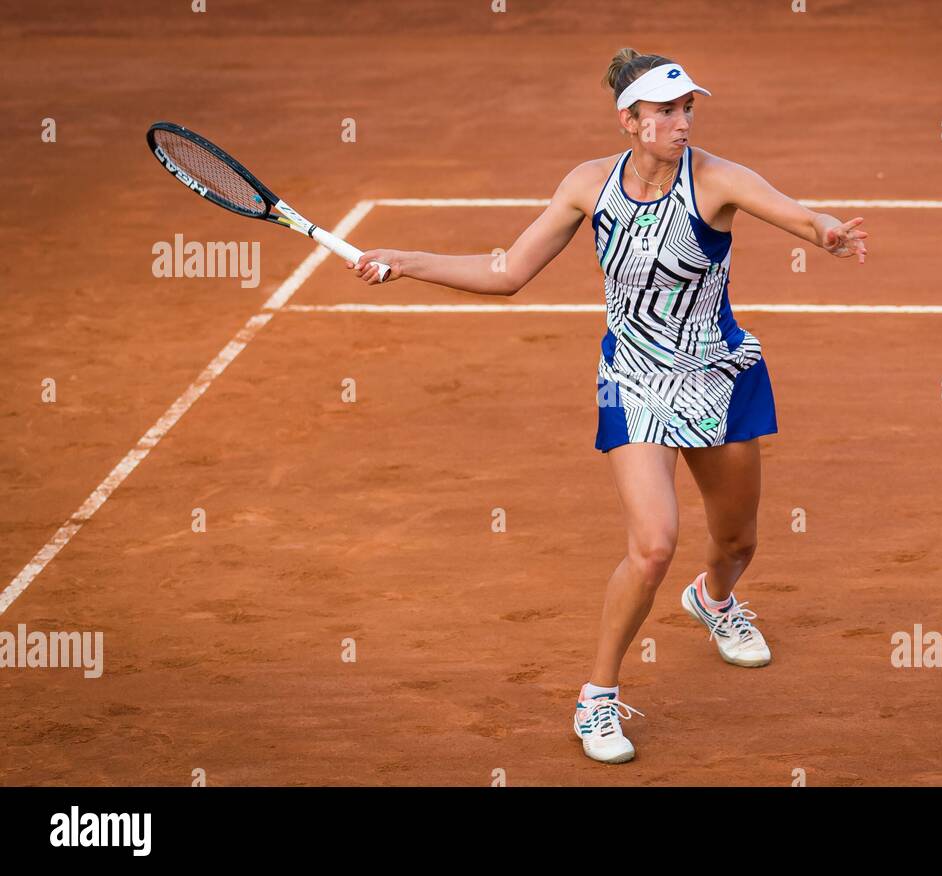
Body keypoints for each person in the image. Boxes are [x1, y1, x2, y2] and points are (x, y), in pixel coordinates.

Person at [349, 48, 867, 765]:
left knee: (738, 542)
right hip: (634, 380)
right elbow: (507, 273)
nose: (682, 122)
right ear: (629, 120)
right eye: (666, 111)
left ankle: (715, 599)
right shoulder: (588, 186)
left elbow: (798, 215)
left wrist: (827, 232)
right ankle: (597, 696)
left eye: (688, 108)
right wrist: (407, 261)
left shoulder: (717, 180)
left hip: (719, 378)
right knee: (653, 544)